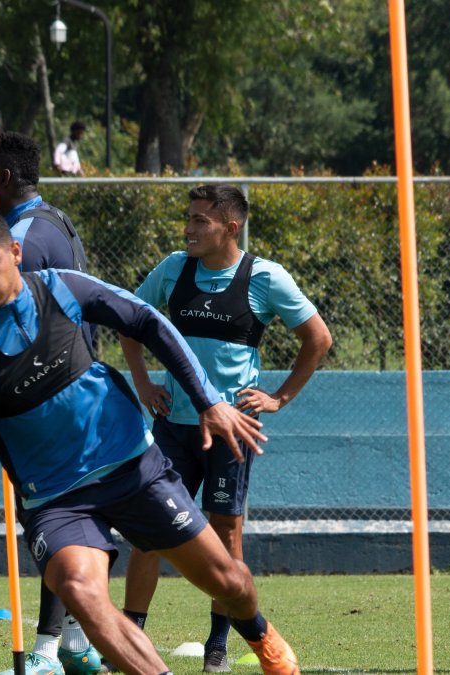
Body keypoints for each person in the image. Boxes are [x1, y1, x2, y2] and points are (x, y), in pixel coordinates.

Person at [0, 208, 302, 675]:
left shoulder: (61, 288)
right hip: (55, 499)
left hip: (132, 468)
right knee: (80, 590)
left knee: (228, 581)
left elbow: (147, 322)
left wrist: (208, 400)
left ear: (14, 253)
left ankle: (261, 636)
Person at [119, 185, 331, 673]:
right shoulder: (173, 269)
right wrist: (144, 381)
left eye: (200, 221)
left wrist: (278, 398)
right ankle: (130, 639)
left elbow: (318, 338)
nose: (189, 229)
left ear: (229, 228)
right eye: (188, 219)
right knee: (148, 531)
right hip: (173, 426)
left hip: (233, 432)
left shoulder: (264, 277)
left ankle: (218, 647)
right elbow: (129, 321)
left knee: (226, 536)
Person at [0, 131, 101, 675]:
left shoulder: (21, 235)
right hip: (74, 387)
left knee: (50, 520)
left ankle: (48, 650)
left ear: (2, 177)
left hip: (46, 398)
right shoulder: (58, 221)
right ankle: (74, 641)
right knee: (70, 515)